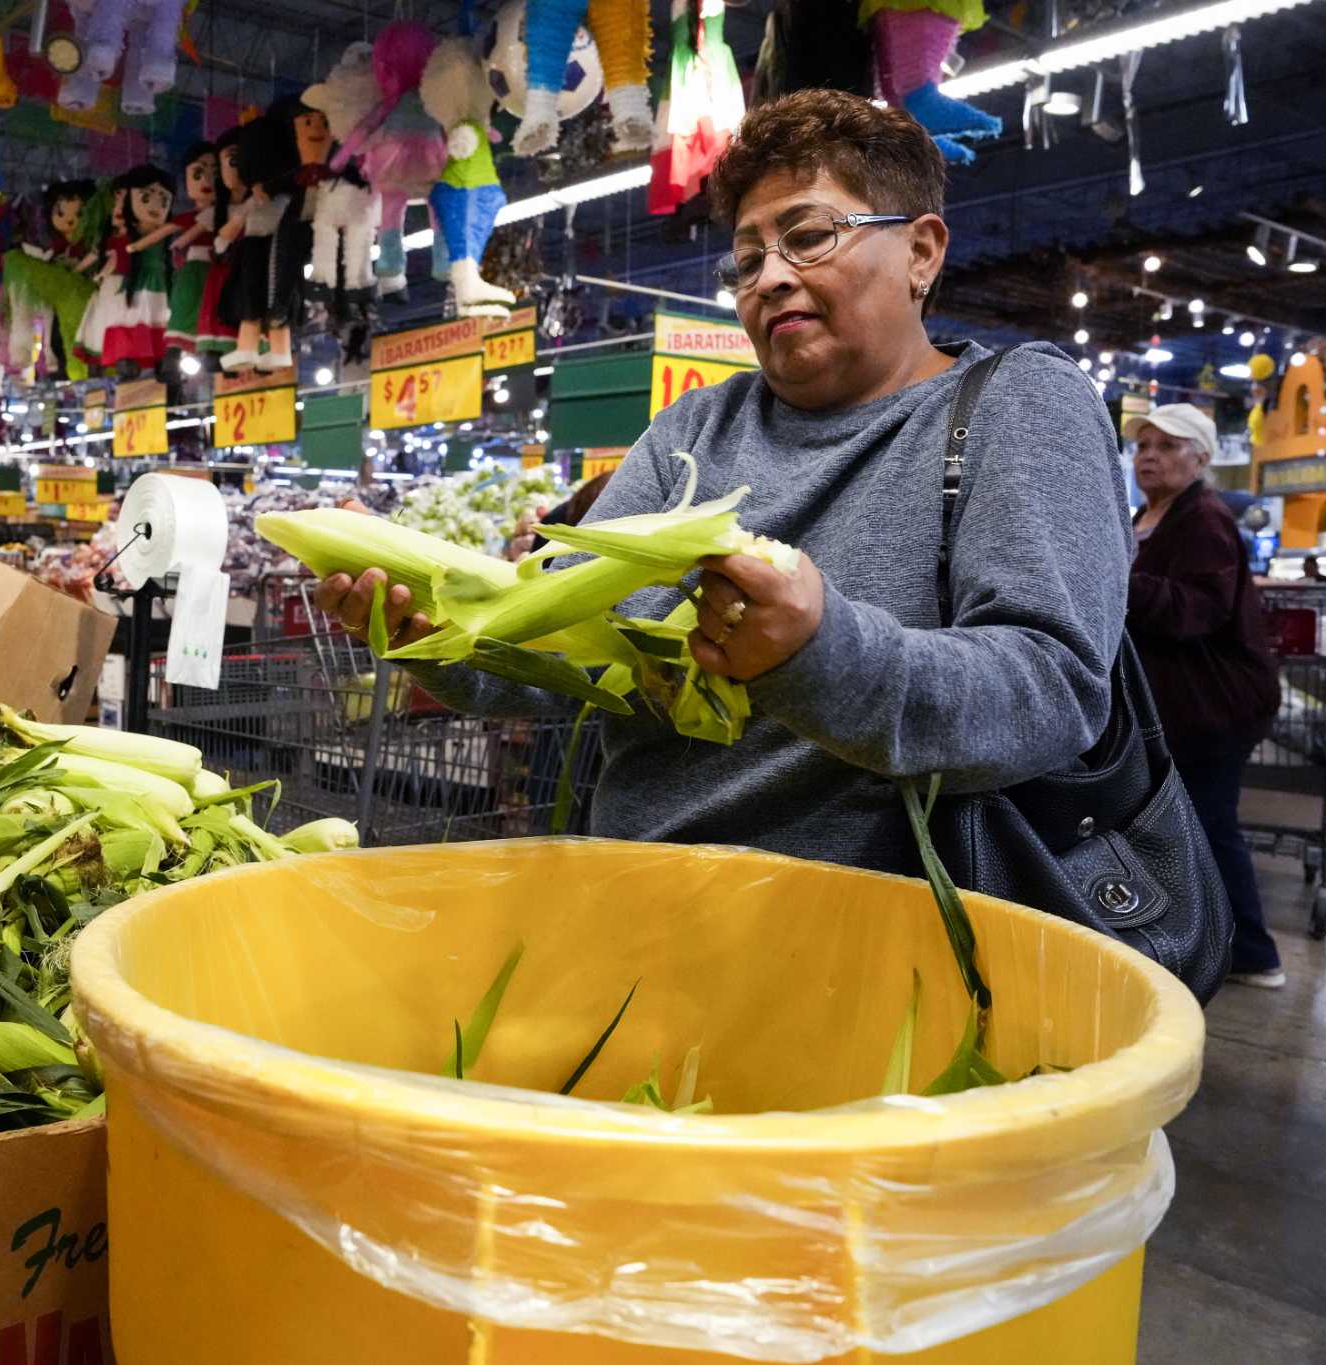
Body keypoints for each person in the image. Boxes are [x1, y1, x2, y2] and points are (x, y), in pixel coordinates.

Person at [313, 89, 1131, 880]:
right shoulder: (694, 432)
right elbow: (562, 655)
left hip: (880, 933)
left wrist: (821, 651)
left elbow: (1050, 692)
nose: (768, 276)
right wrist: (436, 629)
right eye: (747, 259)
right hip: (646, 902)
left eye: (809, 236)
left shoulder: (1017, 406)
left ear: (921, 251)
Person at [1128, 404, 1286, 987]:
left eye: (1167, 446)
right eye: (1143, 445)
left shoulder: (1205, 519)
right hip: (1182, 707)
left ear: (1201, 458)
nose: (1149, 455)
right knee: (1184, 824)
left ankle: (1253, 951)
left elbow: (1197, 610)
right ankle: (1199, 940)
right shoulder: (1150, 515)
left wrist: (1117, 579)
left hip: (1216, 706)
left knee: (1209, 823)